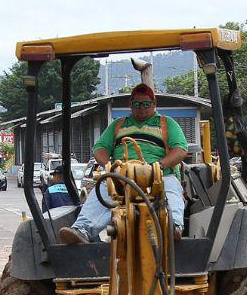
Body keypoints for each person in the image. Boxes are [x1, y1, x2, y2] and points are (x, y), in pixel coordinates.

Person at [58, 84, 189, 244]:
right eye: (136, 104)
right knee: (104, 187)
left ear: (154, 104)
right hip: (122, 176)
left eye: (146, 104)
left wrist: (158, 167)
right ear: (130, 105)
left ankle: (173, 226)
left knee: (171, 188)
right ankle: (82, 229)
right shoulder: (118, 125)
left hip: (159, 175)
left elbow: (180, 150)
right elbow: (100, 148)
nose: (141, 108)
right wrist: (109, 167)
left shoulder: (167, 123)